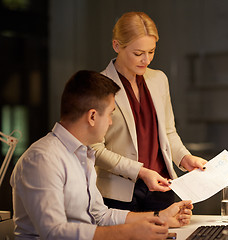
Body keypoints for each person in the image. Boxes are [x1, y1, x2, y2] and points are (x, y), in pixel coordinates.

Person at [10, 70, 193, 240]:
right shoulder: (42, 159)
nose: (111, 122)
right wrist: (129, 232)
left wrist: (160, 217)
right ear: (92, 116)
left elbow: (100, 216)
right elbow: (54, 232)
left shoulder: (83, 154)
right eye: (110, 114)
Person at [91, 11, 207, 212]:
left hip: (162, 186)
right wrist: (141, 172)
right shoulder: (97, 86)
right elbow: (95, 149)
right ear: (117, 45)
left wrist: (184, 158)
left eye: (151, 51)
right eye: (138, 53)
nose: (146, 60)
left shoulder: (159, 79)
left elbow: (169, 132)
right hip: (118, 194)